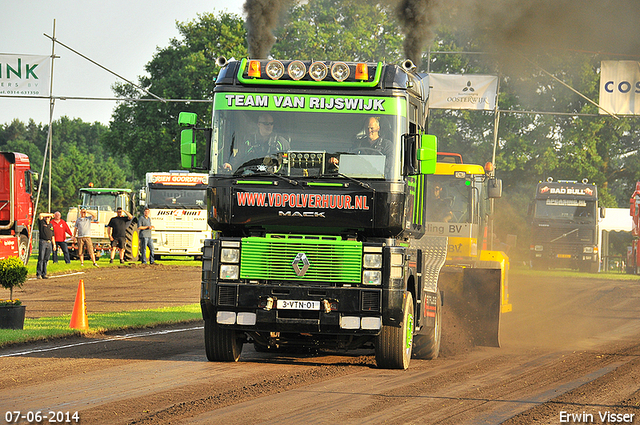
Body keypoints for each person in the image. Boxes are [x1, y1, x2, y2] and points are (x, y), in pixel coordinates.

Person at [223, 113, 290, 172]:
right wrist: (231, 165)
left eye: (271, 124)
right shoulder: (249, 141)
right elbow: (239, 156)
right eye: (266, 124)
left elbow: (287, 163)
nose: (269, 126)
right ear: (258, 124)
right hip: (251, 176)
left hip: (275, 178)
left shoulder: (281, 142)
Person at [36, 212, 55, 279]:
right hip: (43, 242)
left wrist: (54, 244)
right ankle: (39, 273)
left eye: (48, 217)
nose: (47, 218)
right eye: (46, 217)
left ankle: (44, 273)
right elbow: (40, 215)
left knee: (46, 259)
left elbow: (52, 236)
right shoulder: (42, 223)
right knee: (41, 257)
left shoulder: (51, 225)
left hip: (49, 242)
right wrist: (50, 214)